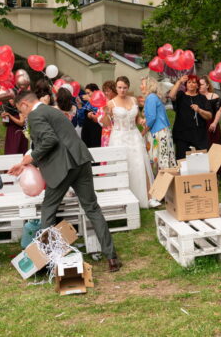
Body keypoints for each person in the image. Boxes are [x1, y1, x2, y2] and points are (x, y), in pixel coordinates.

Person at [8, 91, 121, 272]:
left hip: (63, 167)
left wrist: (29, 159)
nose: (22, 115)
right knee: (92, 208)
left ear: (24, 105)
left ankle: (51, 260)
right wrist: (27, 163)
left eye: (20, 110)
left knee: (48, 211)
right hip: (80, 160)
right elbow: (57, 140)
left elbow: (49, 141)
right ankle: (112, 257)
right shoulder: (52, 111)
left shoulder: (36, 115)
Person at [102, 76, 155, 208]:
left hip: (134, 135)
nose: (122, 90)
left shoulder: (133, 99)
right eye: (119, 87)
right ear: (116, 87)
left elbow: (137, 118)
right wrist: (106, 113)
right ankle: (121, 198)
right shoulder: (111, 103)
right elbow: (106, 124)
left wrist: (141, 121)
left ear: (128, 88)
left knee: (140, 164)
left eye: (125, 87)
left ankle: (147, 197)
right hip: (119, 137)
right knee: (122, 166)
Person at [168, 74, 213, 160]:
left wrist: (199, 110)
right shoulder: (181, 95)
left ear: (197, 85)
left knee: (200, 161)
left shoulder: (202, 98)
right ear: (186, 85)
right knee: (182, 161)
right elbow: (171, 96)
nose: (191, 84)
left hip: (199, 136)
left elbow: (209, 116)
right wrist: (179, 81)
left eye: (194, 82)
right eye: (189, 82)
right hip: (182, 135)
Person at [141, 77, 176, 175]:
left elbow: (152, 118)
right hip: (162, 130)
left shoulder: (151, 97)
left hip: (158, 133)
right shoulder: (154, 97)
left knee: (160, 158)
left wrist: (143, 132)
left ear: (149, 86)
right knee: (162, 157)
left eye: (142, 84)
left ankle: (161, 184)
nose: (140, 86)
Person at [200, 75, 221, 179]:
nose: (199, 86)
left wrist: (214, 123)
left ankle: (217, 174)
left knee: (214, 148)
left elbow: (219, 110)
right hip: (201, 126)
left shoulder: (213, 96)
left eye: (201, 84)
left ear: (207, 85)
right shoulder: (196, 97)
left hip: (212, 124)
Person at [77, 83, 103, 148]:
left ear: (94, 92)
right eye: (86, 93)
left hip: (95, 130)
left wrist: (90, 99)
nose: (87, 95)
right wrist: (80, 106)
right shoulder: (88, 103)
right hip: (87, 130)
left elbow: (98, 110)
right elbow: (82, 116)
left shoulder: (101, 100)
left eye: (88, 93)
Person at [98, 80, 117, 147]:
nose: (106, 93)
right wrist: (106, 114)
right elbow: (100, 121)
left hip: (117, 133)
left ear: (114, 90)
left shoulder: (118, 102)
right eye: (104, 91)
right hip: (106, 134)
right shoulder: (103, 103)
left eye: (108, 91)